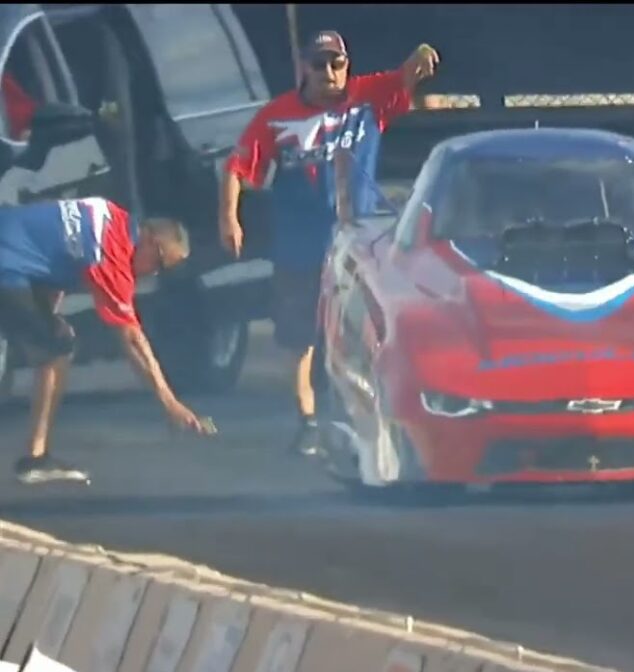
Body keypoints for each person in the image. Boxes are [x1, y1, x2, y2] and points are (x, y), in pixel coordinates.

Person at [219, 31, 439, 457]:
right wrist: (229, 216)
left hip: (359, 243)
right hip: (301, 243)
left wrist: (421, 54)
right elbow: (236, 164)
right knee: (298, 335)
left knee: (366, 330)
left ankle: (372, 415)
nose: (329, 73)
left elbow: (408, 75)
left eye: (336, 63)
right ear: (304, 69)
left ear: (347, 65)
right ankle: (307, 420)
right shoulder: (277, 116)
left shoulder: (366, 97)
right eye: (319, 65)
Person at [0, 197, 214, 484]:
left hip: (11, 247)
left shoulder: (110, 215)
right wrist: (170, 403)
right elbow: (132, 340)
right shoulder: (111, 254)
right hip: (7, 268)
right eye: (160, 262)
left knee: (55, 339)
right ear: (149, 238)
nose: (154, 272)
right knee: (57, 353)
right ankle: (35, 459)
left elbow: (53, 255)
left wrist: (51, 317)